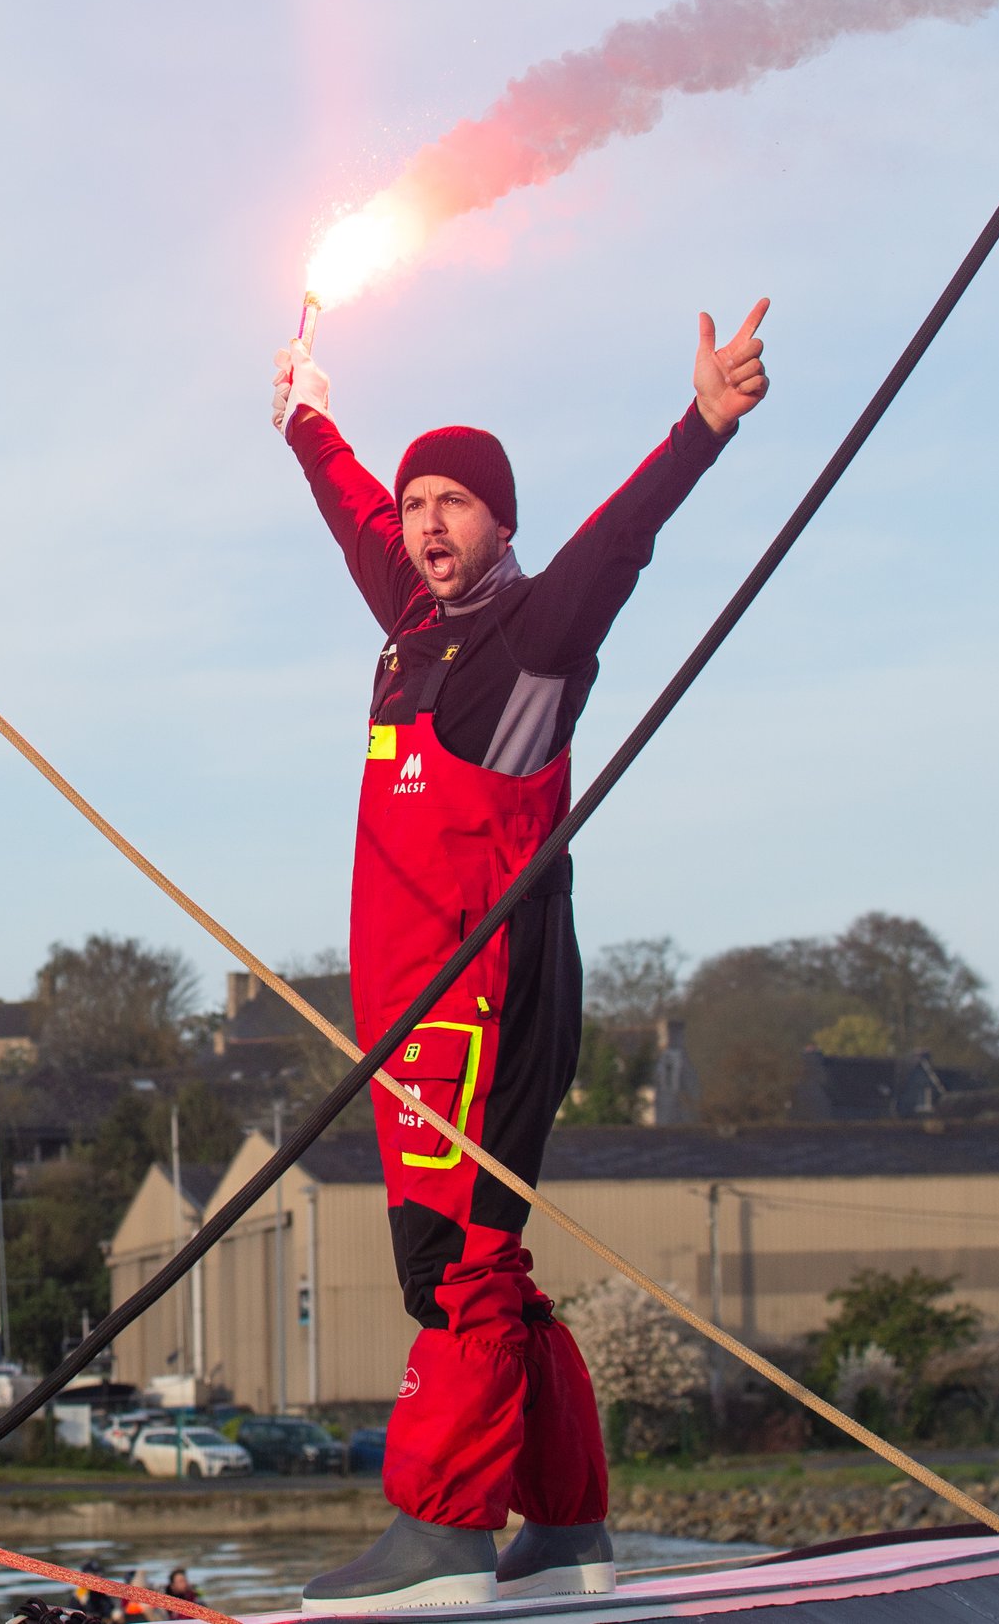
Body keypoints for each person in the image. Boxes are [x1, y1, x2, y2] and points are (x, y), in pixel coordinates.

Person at [272, 299, 771, 1611]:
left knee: (457, 1269)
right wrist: (303, 415)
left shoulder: (532, 643)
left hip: (477, 1009)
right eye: (419, 499)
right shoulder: (412, 621)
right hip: (407, 1007)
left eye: (456, 504)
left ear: (502, 523)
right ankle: (566, 1525)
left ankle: (442, 1536)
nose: (427, 522)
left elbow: (618, 548)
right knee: (488, 1257)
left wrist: (702, 427)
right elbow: (352, 513)